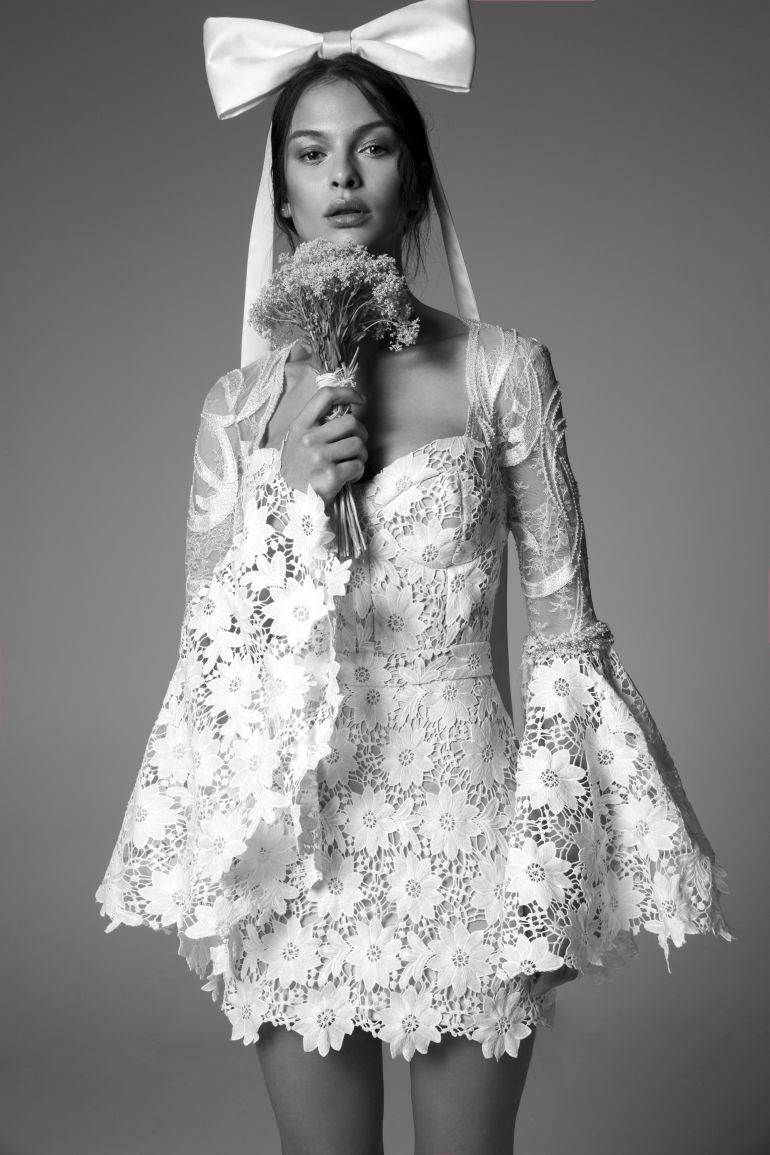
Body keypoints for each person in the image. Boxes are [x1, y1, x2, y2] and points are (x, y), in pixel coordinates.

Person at [95, 11, 732, 1155]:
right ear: (283, 199)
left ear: (415, 181)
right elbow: (212, 672)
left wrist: (546, 859)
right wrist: (290, 500)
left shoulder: (504, 372)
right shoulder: (235, 412)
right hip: (302, 843)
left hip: (468, 831)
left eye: (373, 146)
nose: (342, 176)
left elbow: (565, 638)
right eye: (310, 154)